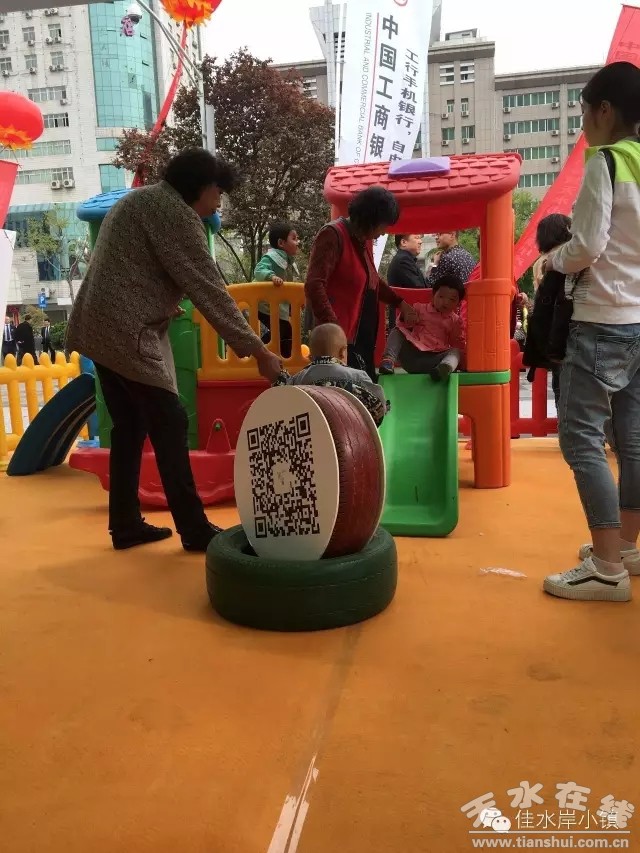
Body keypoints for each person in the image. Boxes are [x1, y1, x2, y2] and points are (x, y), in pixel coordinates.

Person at [66, 148, 282, 553]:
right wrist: (258, 351)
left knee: (129, 426)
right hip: (126, 332)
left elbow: (135, 270)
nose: (219, 201)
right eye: (218, 191)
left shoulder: (139, 200)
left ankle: (125, 524)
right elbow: (210, 290)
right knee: (170, 421)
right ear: (201, 186)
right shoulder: (176, 215)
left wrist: (162, 302)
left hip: (98, 328)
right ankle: (194, 529)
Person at [541, 62, 640, 602]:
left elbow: (587, 246)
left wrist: (553, 261)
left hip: (602, 317)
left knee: (581, 438)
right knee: (633, 438)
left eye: (584, 112)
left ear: (605, 110)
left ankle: (606, 567)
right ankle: (626, 547)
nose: (583, 123)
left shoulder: (607, 162)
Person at [305, 186, 418, 382]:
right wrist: (334, 329)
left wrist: (400, 303)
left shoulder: (362, 240)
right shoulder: (333, 235)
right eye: (383, 226)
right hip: (337, 341)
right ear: (370, 219)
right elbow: (314, 285)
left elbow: (372, 280)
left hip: (360, 338)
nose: (383, 233)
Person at [275, 323, 387, 426]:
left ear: (310, 357)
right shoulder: (358, 377)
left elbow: (285, 399)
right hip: (350, 431)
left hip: (314, 431)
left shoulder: (298, 379)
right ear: (343, 352)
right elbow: (379, 407)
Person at [523, 213, 573, 408]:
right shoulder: (570, 255)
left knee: (561, 387)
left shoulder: (541, 262)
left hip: (553, 333)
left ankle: (563, 423)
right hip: (572, 327)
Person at [380, 275, 466, 381]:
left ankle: (445, 368)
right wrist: (406, 317)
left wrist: (462, 361)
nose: (446, 302)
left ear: (458, 304)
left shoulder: (455, 321)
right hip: (411, 357)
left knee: (456, 351)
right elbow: (402, 325)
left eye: (452, 299)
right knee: (397, 331)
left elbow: (457, 342)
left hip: (433, 362)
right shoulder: (420, 309)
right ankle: (388, 361)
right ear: (432, 296)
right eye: (441, 297)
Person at [252, 221, 301, 358]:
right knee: (283, 329)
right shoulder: (272, 257)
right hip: (263, 304)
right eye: (294, 238)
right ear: (281, 243)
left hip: (273, 304)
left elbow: (287, 287)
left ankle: (282, 357)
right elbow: (259, 270)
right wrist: (271, 276)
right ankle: (259, 352)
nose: (298, 242)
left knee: (284, 330)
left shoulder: (287, 261)